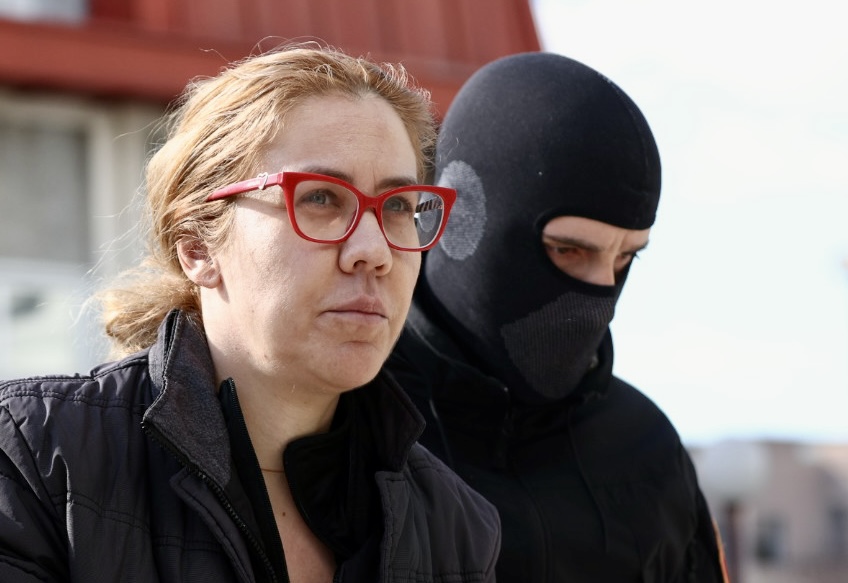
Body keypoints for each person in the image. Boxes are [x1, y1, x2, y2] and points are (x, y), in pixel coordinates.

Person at [0, 44, 501, 583]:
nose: (374, 251)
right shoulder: (38, 458)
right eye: (321, 198)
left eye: (398, 206)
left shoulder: (456, 529)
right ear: (197, 246)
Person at [387, 52, 729, 582]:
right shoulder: (353, 421)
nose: (601, 290)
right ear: (462, 220)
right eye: (568, 250)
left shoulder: (646, 452)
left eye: (626, 258)